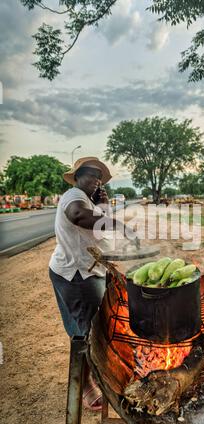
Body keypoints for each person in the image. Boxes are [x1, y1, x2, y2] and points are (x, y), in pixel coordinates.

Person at [49, 156, 133, 411]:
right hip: (76, 275)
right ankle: (85, 387)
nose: (96, 180)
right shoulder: (73, 196)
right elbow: (77, 215)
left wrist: (104, 205)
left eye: (99, 177)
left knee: (93, 327)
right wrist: (118, 224)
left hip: (88, 270)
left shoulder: (89, 199)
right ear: (77, 177)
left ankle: (95, 373)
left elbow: (98, 232)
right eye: (91, 175)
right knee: (85, 333)